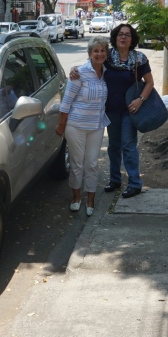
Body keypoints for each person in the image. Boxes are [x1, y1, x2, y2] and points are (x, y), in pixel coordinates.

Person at [70, 24, 154, 198]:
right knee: (113, 146)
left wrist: (140, 100)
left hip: (130, 110)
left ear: (132, 39)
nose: (123, 38)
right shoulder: (108, 57)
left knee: (128, 146)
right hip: (110, 111)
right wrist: (74, 70)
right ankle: (115, 179)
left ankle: (134, 183)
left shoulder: (139, 59)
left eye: (127, 35)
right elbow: (92, 64)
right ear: (115, 37)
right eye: (120, 34)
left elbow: (149, 83)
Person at [56, 36, 110, 216]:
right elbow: (66, 102)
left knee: (92, 163)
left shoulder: (108, 72)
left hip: (97, 125)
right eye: (96, 51)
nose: (99, 54)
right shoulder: (79, 73)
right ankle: (76, 198)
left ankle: (91, 199)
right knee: (77, 163)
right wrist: (61, 125)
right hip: (76, 126)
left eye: (103, 50)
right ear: (89, 54)